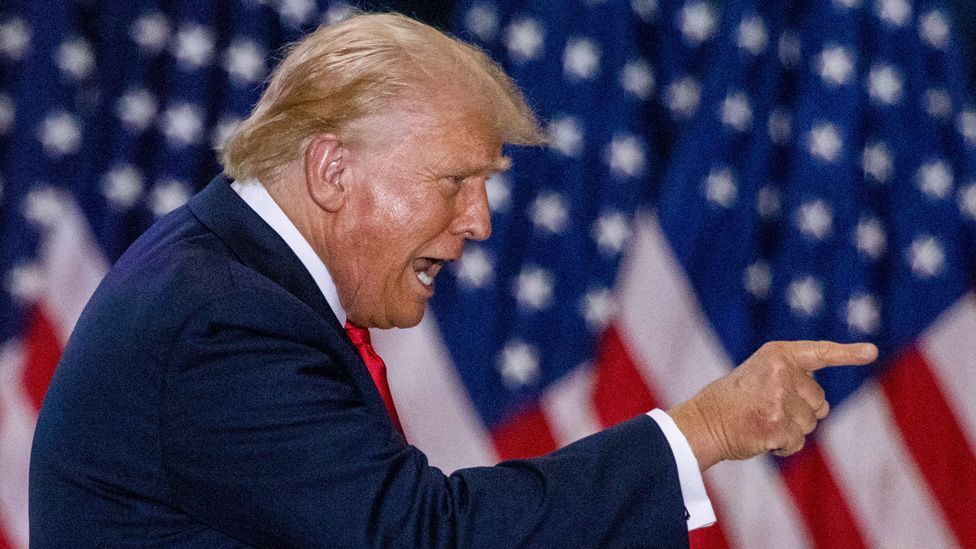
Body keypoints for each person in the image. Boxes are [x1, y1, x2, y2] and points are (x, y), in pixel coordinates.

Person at [29, 12, 877, 548]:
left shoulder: (230, 275)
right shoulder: (224, 322)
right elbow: (423, 537)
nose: (480, 221)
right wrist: (705, 427)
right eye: (454, 182)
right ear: (332, 169)